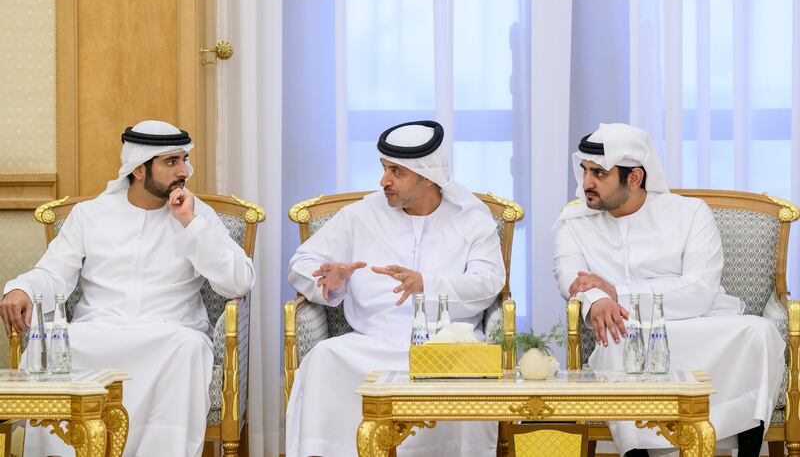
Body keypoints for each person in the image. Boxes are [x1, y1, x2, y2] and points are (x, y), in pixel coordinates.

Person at [0, 120, 256, 457]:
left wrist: (191, 225)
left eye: (184, 160)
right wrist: (20, 289)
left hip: (169, 334)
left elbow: (239, 281)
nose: (184, 171)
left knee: (188, 348)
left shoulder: (199, 216)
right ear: (138, 169)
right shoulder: (89, 216)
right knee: (62, 342)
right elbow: (52, 273)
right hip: (98, 331)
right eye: (171, 162)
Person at [553, 123, 785, 457]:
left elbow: (700, 289)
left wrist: (616, 293)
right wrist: (598, 298)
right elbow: (571, 279)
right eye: (585, 170)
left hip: (698, 321)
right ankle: (638, 451)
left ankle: (747, 441)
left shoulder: (690, 213)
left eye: (598, 174)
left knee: (758, 332)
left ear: (634, 177)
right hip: (629, 330)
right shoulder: (573, 222)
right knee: (615, 342)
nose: (586, 183)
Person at [285, 120, 506, 457]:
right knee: (323, 358)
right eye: (384, 169)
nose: (383, 181)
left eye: (396, 172)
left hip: (444, 348)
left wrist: (427, 284)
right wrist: (329, 280)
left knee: (470, 378)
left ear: (427, 176)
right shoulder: (360, 215)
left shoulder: (472, 219)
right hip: (373, 345)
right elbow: (300, 262)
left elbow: (489, 284)